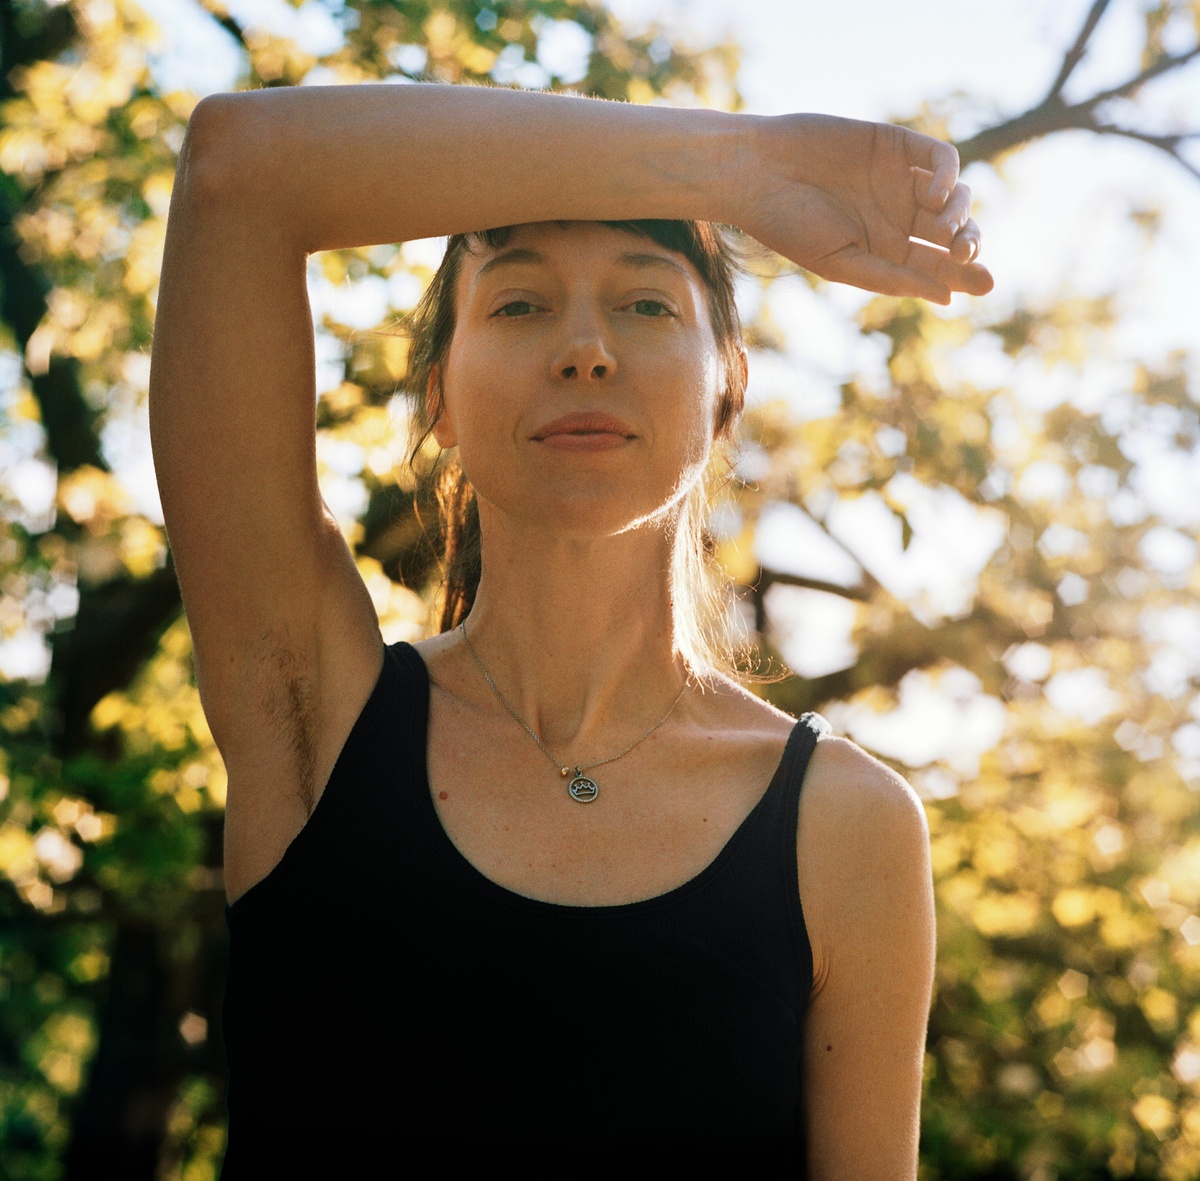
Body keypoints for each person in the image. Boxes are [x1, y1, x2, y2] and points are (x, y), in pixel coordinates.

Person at [148, 82, 992, 1177]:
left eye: (647, 304)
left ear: (727, 385)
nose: (585, 349)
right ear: (440, 397)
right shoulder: (317, 717)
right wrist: (743, 168)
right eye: (519, 304)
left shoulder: (848, 827)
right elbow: (235, 165)